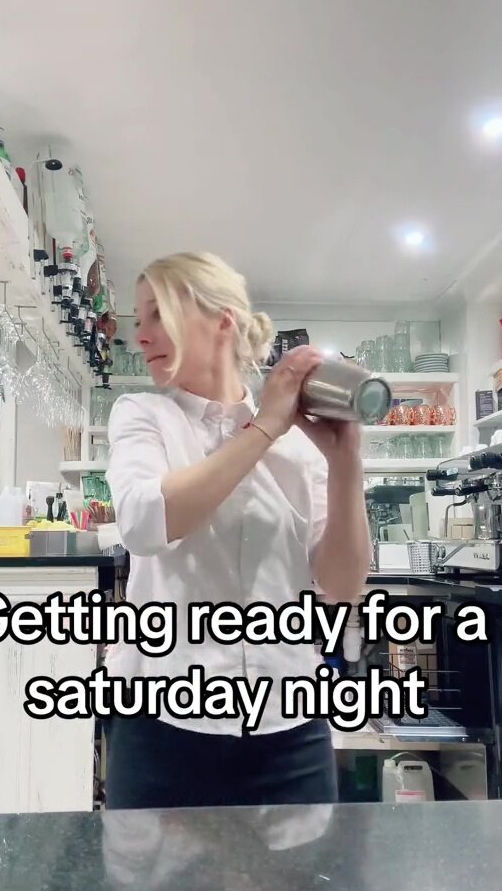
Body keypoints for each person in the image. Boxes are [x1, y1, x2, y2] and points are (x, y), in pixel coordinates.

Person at [104, 251, 371, 809]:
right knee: (151, 874)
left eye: (158, 314)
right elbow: (145, 522)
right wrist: (266, 426)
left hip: (289, 728)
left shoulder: (301, 444)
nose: (141, 335)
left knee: (302, 871)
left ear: (222, 319)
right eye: (139, 319)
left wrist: (346, 462)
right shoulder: (144, 415)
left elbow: (341, 587)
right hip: (161, 726)